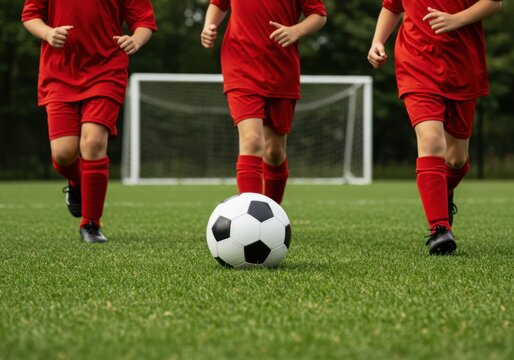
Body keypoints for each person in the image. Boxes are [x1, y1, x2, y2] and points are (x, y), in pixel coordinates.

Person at [368, 0, 502, 254]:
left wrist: (457, 19)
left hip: (463, 69)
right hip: (416, 64)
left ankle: (442, 191)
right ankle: (440, 230)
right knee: (431, 141)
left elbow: (494, 3)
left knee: (457, 160)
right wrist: (377, 41)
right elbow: (392, 6)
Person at [22, 0, 157, 243]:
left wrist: (136, 39)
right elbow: (30, 16)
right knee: (63, 153)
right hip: (59, 73)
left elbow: (144, 22)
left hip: (106, 70)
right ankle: (77, 182)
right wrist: (48, 33)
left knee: (93, 143)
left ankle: (91, 224)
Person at [200, 0, 327, 204]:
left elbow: (319, 15)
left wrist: (297, 30)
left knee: (274, 152)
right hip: (240, 65)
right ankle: (251, 218)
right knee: (252, 140)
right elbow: (218, 4)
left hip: (281, 71)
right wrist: (208, 26)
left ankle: (272, 217)